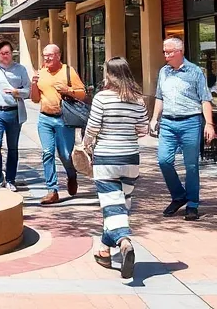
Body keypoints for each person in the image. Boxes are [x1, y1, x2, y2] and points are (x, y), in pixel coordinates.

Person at [84, 57, 148, 280]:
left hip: (106, 158)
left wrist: (85, 145)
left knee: (112, 205)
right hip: (130, 157)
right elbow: (143, 129)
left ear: (109, 75)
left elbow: (92, 128)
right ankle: (104, 249)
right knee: (120, 205)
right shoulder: (138, 100)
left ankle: (124, 241)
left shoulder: (101, 98)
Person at [152, 37, 215, 221]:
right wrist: (154, 118)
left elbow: (205, 99)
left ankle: (193, 204)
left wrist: (209, 124)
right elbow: (159, 97)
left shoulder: (195, 72)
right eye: (164, 51)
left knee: (191, 165)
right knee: (164, 161)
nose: (166, 55)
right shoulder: (163, 72)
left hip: (190, 122)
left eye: (169, 52)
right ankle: (179, 196)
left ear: (180, 52)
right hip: (168, 123)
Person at [31, 43, 88, 204]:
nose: (47, 58)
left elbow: (82, 94)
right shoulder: (41, 73)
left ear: (58, 56)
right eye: (45, 55)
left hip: (64, 119)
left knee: (64, 154)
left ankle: (71, 175)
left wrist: (67, 90)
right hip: (45, 118)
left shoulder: (68, 71)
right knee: (47, 152)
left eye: (50, 55)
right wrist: (34, 84)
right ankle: (52, 190)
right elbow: (35, 99)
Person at [0, 40, 30, 191]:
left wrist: (18, 92)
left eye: (7, 53)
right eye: (2, 53)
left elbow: (28, 90)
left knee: (13, 148)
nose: (5, 56)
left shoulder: (20, 69)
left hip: (14, 112)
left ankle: (10, 179)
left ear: (12, 53)